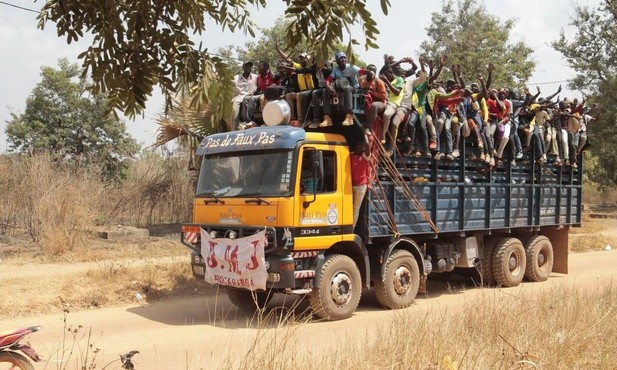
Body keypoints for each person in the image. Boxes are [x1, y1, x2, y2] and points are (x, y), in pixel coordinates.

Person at [240, 60, 275, 128]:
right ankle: (247, 121)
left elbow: (274, 87)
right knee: (245, 99)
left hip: (268, 94)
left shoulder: (271, 75)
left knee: (253, 99)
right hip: (260, 94)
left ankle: (263, 120)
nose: (258, 68)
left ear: (266, 67)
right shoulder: (259, 77)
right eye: (258, 66)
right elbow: (258, 88)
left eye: (260, 66)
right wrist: (253, 93)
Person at [230, 61, 257, 131]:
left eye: (250, 66)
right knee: (234, 109)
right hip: (239, 97)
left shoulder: (255, 77)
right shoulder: (236, 78)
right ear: (243, 67)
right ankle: (234, 130)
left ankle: (248, 124)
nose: (249, 68)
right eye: (247, 66)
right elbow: (231, 88)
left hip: (250, 97)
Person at [351, 141, 371, 228]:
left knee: (356, 208)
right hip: (351, 185)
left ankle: (352, 227)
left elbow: (368, 147)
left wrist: (364, 132)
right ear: (356, 146)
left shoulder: (364, 157)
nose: (363, 147)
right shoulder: (350, 155)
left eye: (363, 146)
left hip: (361, 186)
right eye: (361, 145)